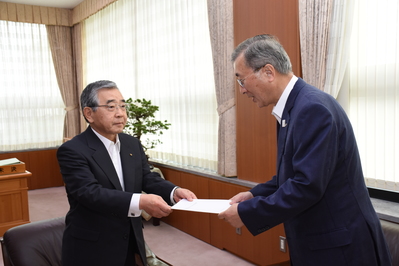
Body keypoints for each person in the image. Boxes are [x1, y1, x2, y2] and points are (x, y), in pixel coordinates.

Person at [218, 34, 392, 265]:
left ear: (268, 72)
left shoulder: (311, 108)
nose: (241, 90)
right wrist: (253, 194)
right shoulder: (296, 106)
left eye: (242, 80)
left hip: (340, 246)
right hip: (325, 239)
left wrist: (249, 212)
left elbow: (306, 186)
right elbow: (292, 174)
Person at [57, 80, 197, 266]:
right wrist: (141, 201)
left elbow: (146, 177)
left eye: (123, 106)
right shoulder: (72, 150)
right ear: (89, 113)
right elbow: (89, 193)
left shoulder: (131, 143)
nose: (120, 113)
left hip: (129, 239)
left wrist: (173, 191)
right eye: (111, 107)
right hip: (91, 246)